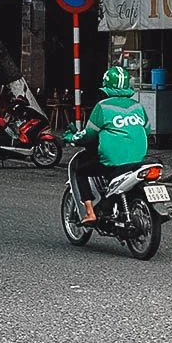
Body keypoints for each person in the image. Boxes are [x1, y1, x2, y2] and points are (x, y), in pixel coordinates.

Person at [63, 66, 150, 226]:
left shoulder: (102, 107)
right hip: (138, 160)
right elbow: (147, 130)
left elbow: (87, 135)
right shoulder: (138, 107)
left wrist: (71, 136)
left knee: (80, 170)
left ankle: (90, 212)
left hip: (113, 162)